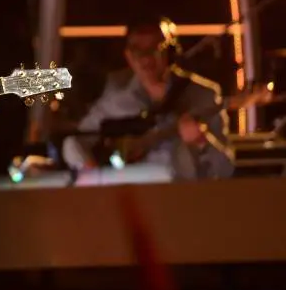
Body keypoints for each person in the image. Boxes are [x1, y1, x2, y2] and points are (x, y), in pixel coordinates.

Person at [62, 21, 234, 181]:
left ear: (170, 52)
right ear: (128, 56)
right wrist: (95, 176)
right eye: (137, 50)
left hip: (184, 196)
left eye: (155, 48)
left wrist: (202, 141)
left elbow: (226, 169)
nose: (145, 58)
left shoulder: (203, 95)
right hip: (130, 197)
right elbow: (74, 143)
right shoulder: (116, 97)